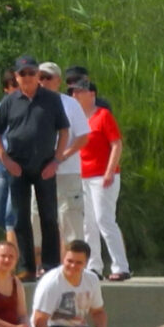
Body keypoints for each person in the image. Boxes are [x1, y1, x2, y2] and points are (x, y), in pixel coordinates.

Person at [0, 55, 66, 278]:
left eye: (33, 73)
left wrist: (57, 160)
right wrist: (4, 158)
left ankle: (51, 266)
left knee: (49, 216)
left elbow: (64, 131)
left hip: (45, 166)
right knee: (20, 218)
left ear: (38, 76)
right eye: (23, 74)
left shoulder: (52, 100)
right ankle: (27, 267)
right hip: (17, 167)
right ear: (16, 76)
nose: (28, 77)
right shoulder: (9, 102)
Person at [70, 71, 130, 280]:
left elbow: (116, 144)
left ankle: (120, 266)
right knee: (88, 223)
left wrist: (110, 171)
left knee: (105, 219)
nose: (75, 95)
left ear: (92, 94)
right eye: (73, 92)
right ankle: (94, 266)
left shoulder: (103, 115)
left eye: (80, 91)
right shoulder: (75, 120)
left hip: (103, 176)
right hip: (82, 176)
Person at [38, 64, 90, 264]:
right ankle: (45, 264)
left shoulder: (69, 104)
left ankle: (76, 262)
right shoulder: (31, 103)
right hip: (39, 172)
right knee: (40, 219)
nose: (43, 81)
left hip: (67, 171)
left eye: (48, 77)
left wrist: (60, 157)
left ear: (58, 81)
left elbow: (83, 137)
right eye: (40, 77)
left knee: (70, 218)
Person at [30, 241, 113, 327]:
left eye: (78, 263)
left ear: (86, 263)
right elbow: (39, 320)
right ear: (63, 259)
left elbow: (98, 312)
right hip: (55, 326)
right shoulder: (51, 282)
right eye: (70, 261)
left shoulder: (92, 279)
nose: (73, 266)